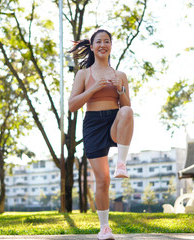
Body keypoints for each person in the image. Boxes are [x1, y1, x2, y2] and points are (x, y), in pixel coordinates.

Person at [68, 29, 134, 240]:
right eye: (99, 42)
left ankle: (121, 163)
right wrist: (93, 89)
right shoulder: (84, 74)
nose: (103, 45)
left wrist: (121, 91)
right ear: (93, 46)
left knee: (127, 111)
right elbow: (72, 106)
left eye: (107, 41)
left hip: (114, 120)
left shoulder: (120, 75)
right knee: (103, 180)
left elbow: (126, 109)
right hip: (93, 124)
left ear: (111, 46)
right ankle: (104, 228)